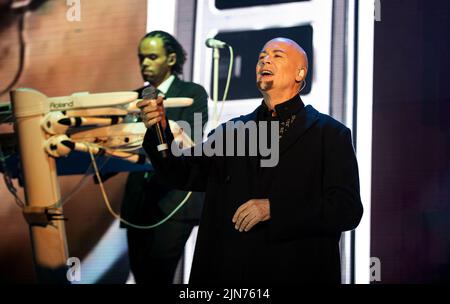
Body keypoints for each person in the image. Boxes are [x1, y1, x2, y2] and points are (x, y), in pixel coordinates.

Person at [138, 37, 363, 284]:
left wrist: (273, 209)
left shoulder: (329, 134)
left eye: (277, 55)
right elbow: (181, 172)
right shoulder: (231, 132)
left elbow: (346, 209)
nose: (265, 59)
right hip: (233, 273)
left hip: (295, 270)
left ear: (300, 72)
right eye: (261, 56)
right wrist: (159, 130)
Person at [120, 30, 208, 284]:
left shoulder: (192, 92)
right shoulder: (132, 98)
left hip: (174, 200)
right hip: (138, 203)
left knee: (158, 276)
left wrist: (159, 125)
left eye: (151, 57)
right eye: (141, 58)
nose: (144, 63)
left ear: (171, 59)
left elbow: (189, 138)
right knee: (142, 276)